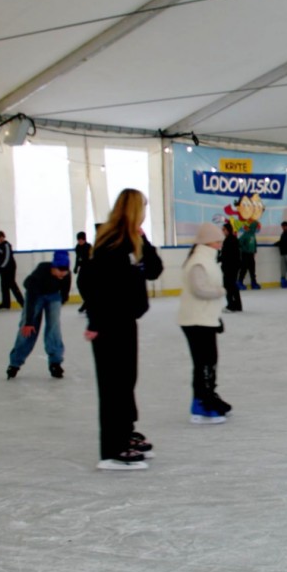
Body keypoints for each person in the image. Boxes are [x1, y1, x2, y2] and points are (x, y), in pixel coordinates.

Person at [80, 188, 164, 471]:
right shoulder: (111, 242)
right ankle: (112, 449)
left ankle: (125, 432)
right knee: (113, 386)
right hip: (108, 324)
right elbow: (91, 284)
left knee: (126, 381)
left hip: (126, 321)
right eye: (143, 208)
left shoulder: (132, 240)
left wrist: (144, 239)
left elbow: (154, 270)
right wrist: (95, 322)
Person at [179, 222, 233, 425]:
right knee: (203, 362)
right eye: (218, 240)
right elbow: (199, 289)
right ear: (207, 242)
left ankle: (209, 396)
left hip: (204, 318)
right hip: (195, 320)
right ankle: (201, 403)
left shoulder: (207, 258)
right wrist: (222, 290)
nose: (220, 244)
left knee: (210, 360)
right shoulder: (198, 262)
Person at [6, 250, 72, 380]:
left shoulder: (66, 274)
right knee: (27, 330)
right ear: (53, 267)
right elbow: (30, 299)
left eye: (65, 273)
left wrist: (60, 301)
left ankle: (55, 363)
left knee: (54, 328)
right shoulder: (39, 274)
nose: (62, 276)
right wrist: (29, 322)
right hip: (35, 296)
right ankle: (15, 363)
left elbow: (65, 292)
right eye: (60, 273)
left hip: (53, 297)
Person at [220, 222, 243, 312]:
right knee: (232, 286)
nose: (222, 231)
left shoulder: (230, 240)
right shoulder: (232, 239)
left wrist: (220, 258)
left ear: (228, 230)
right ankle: (237, 305)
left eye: (224, 229)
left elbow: (228, 255)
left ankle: (231, 305)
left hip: (230, 267)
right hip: (233, 266)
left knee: (228, 286)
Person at [237, 219, 260, 290]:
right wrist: (245, 249)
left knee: (252, 269)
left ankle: (253, 282)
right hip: (245, 254)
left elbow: (254, 243)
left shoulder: (253, 235)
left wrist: (255, 250)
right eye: (256, 227)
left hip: (251, 255)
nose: (256, 229)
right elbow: (239, 242)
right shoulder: (246, 234)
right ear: (253, 227)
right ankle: (239, 282)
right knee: (244, 269)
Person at [74, 231, 91, 313]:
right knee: (79, 284)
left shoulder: (89, 247)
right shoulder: (77, 247)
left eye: (81, 240)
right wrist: (76, 267)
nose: (79, 241)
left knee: (88, 287)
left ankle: (88, 303)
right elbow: (78, 257)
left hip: (89, 269)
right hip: (83, 268)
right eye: (78, 240)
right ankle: (87, 302)